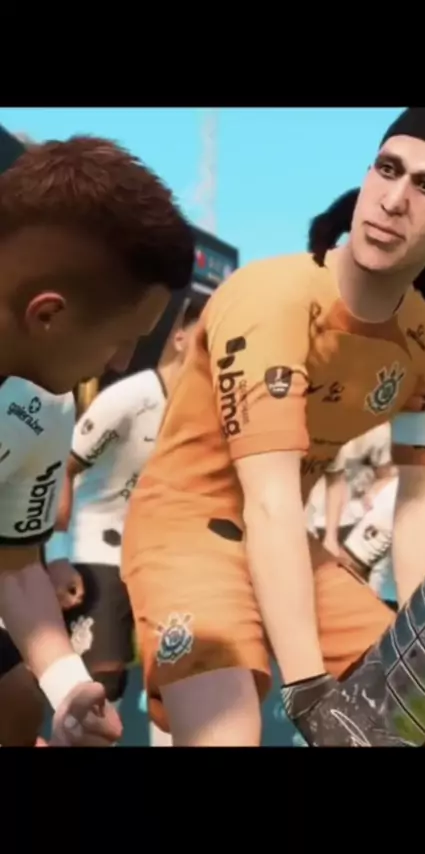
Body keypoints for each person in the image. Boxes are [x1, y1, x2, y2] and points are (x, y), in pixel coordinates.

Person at [122, 107, 425, 747]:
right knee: (230, 737)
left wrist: (420, 651)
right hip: (188, 530)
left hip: (294, 545)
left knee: (423, 718)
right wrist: (309, 688)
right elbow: (270, 499)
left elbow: (420, 507)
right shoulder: (272, 297)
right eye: (387, 169)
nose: (394, 200)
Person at [0, 127, 194, 746]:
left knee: (17, 695)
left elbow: (14, 572)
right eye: (121, 339)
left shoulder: (45, 408)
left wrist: (66, 685)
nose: (121, 363)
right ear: (48, 315)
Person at [42, 295, 204, 746]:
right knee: (101, 686)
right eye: (206, 335)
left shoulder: (205, 413)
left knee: (175, 682)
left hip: (161, 560)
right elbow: (62, 468)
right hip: (96, 550)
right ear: (179, 337)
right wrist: (57, 556)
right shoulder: (131, 398)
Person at [307, 423, 394, 557]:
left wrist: (374, 492)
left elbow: (386, 475)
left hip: (347, 519)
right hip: (309, 513)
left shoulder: (380, 433)